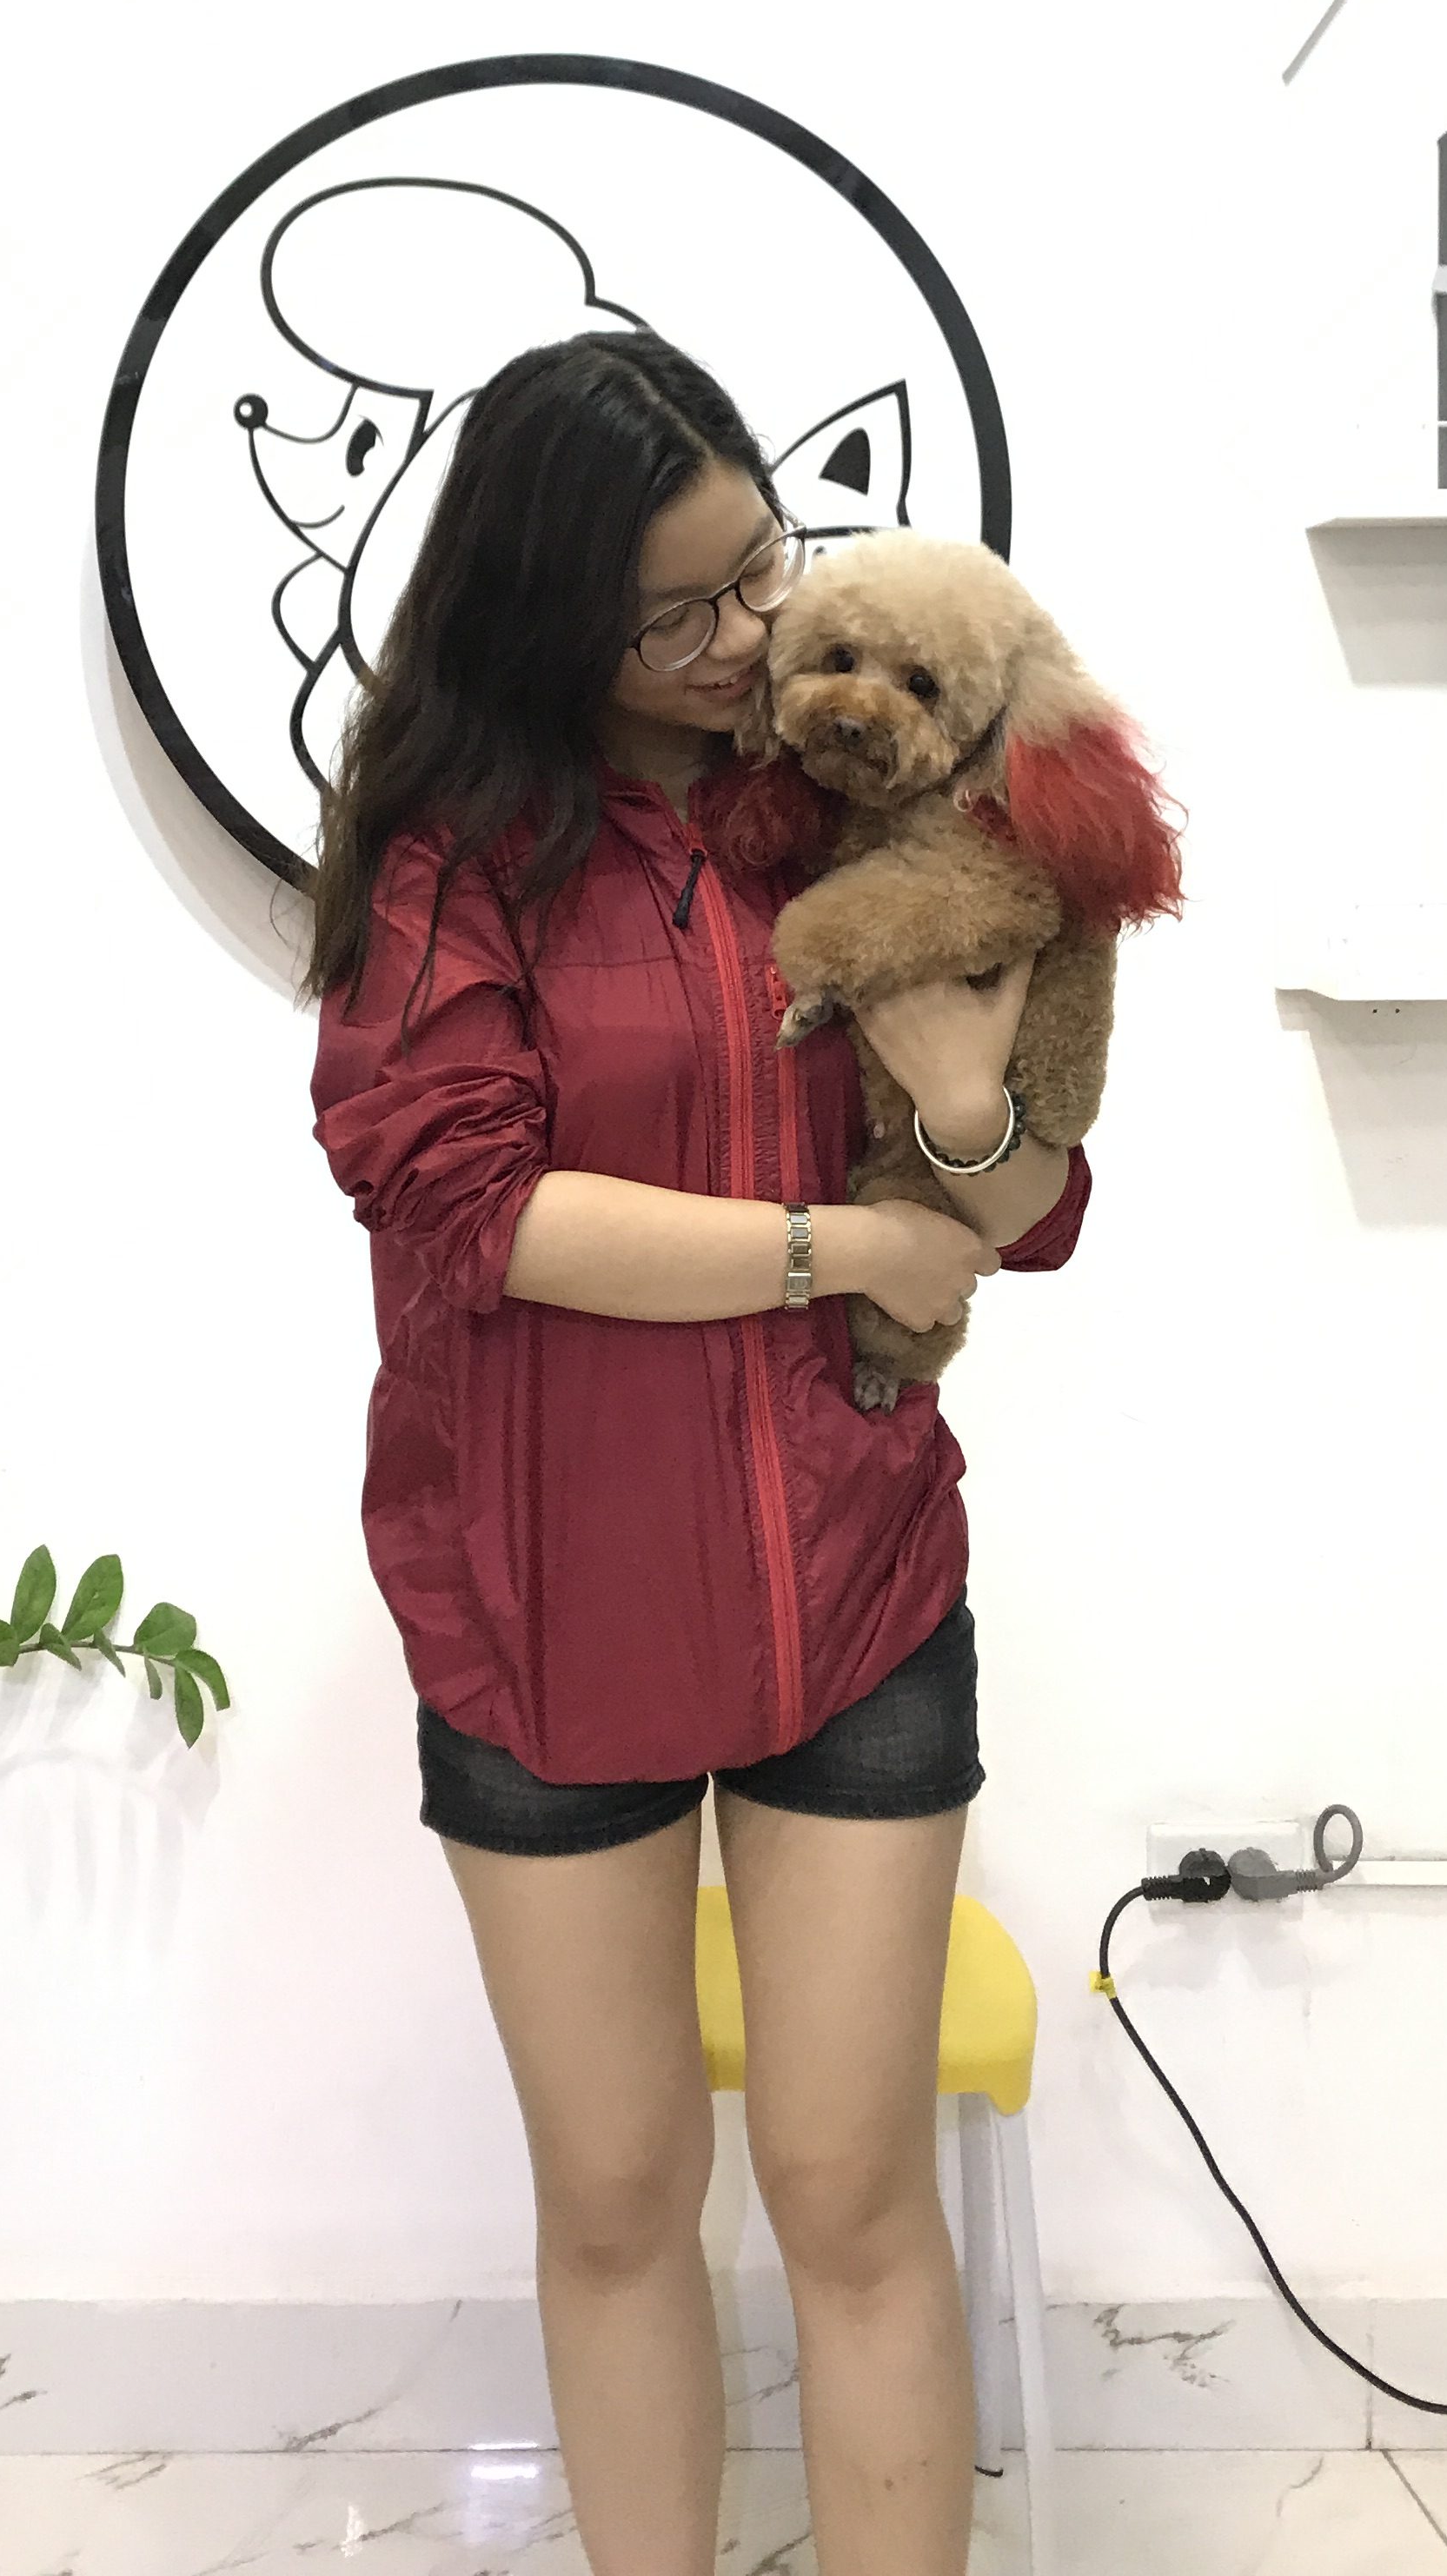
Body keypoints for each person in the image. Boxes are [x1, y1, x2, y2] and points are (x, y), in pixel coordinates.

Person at [308, 330, 1092, 2576]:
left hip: (855, 1584)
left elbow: (1029, 1213)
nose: (752, 637)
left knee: (854, 2193)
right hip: (541, 1605)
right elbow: (467, 1204)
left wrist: (965, 1109)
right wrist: (835, 1245)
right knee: (622, 2194)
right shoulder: (453, 863)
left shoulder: (866, 805)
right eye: (683, 612)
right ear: (553, 614)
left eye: (763, 567)